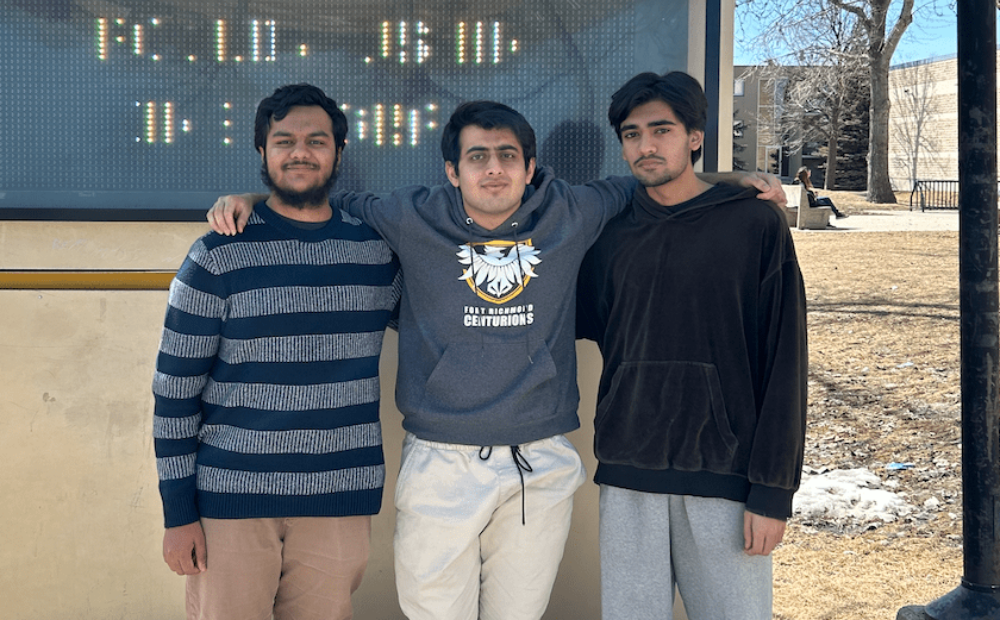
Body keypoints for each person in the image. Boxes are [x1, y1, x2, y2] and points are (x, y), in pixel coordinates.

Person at [206, 99, 786, 620]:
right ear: (452, 172)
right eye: (476, 156)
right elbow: (318, 193)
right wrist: (250, 198)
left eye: (508, 155)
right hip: (439, 460)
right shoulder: (407, 216)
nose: (493, 168)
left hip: (539, 462)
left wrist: (735, 179)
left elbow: (658, 178)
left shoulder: (575, 210)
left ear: (530, 168)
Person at [152, 83, 401, 620]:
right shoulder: (218, 255)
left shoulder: (377, 253)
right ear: (262, 152)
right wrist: (178, 514)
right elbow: (174, 395)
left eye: (316, 140)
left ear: (338, 152)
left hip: (338, 498)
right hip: (231, 503)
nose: (300, 152)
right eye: (284, 140)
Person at [576, 71, 808, 620]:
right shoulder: (607, 235)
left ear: (695, 137)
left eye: (662, 130)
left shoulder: (755, 226)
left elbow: (785, 363)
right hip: (629, 471)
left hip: (727, 478)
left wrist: (773, 492)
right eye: (632, 134)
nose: (647, 146)